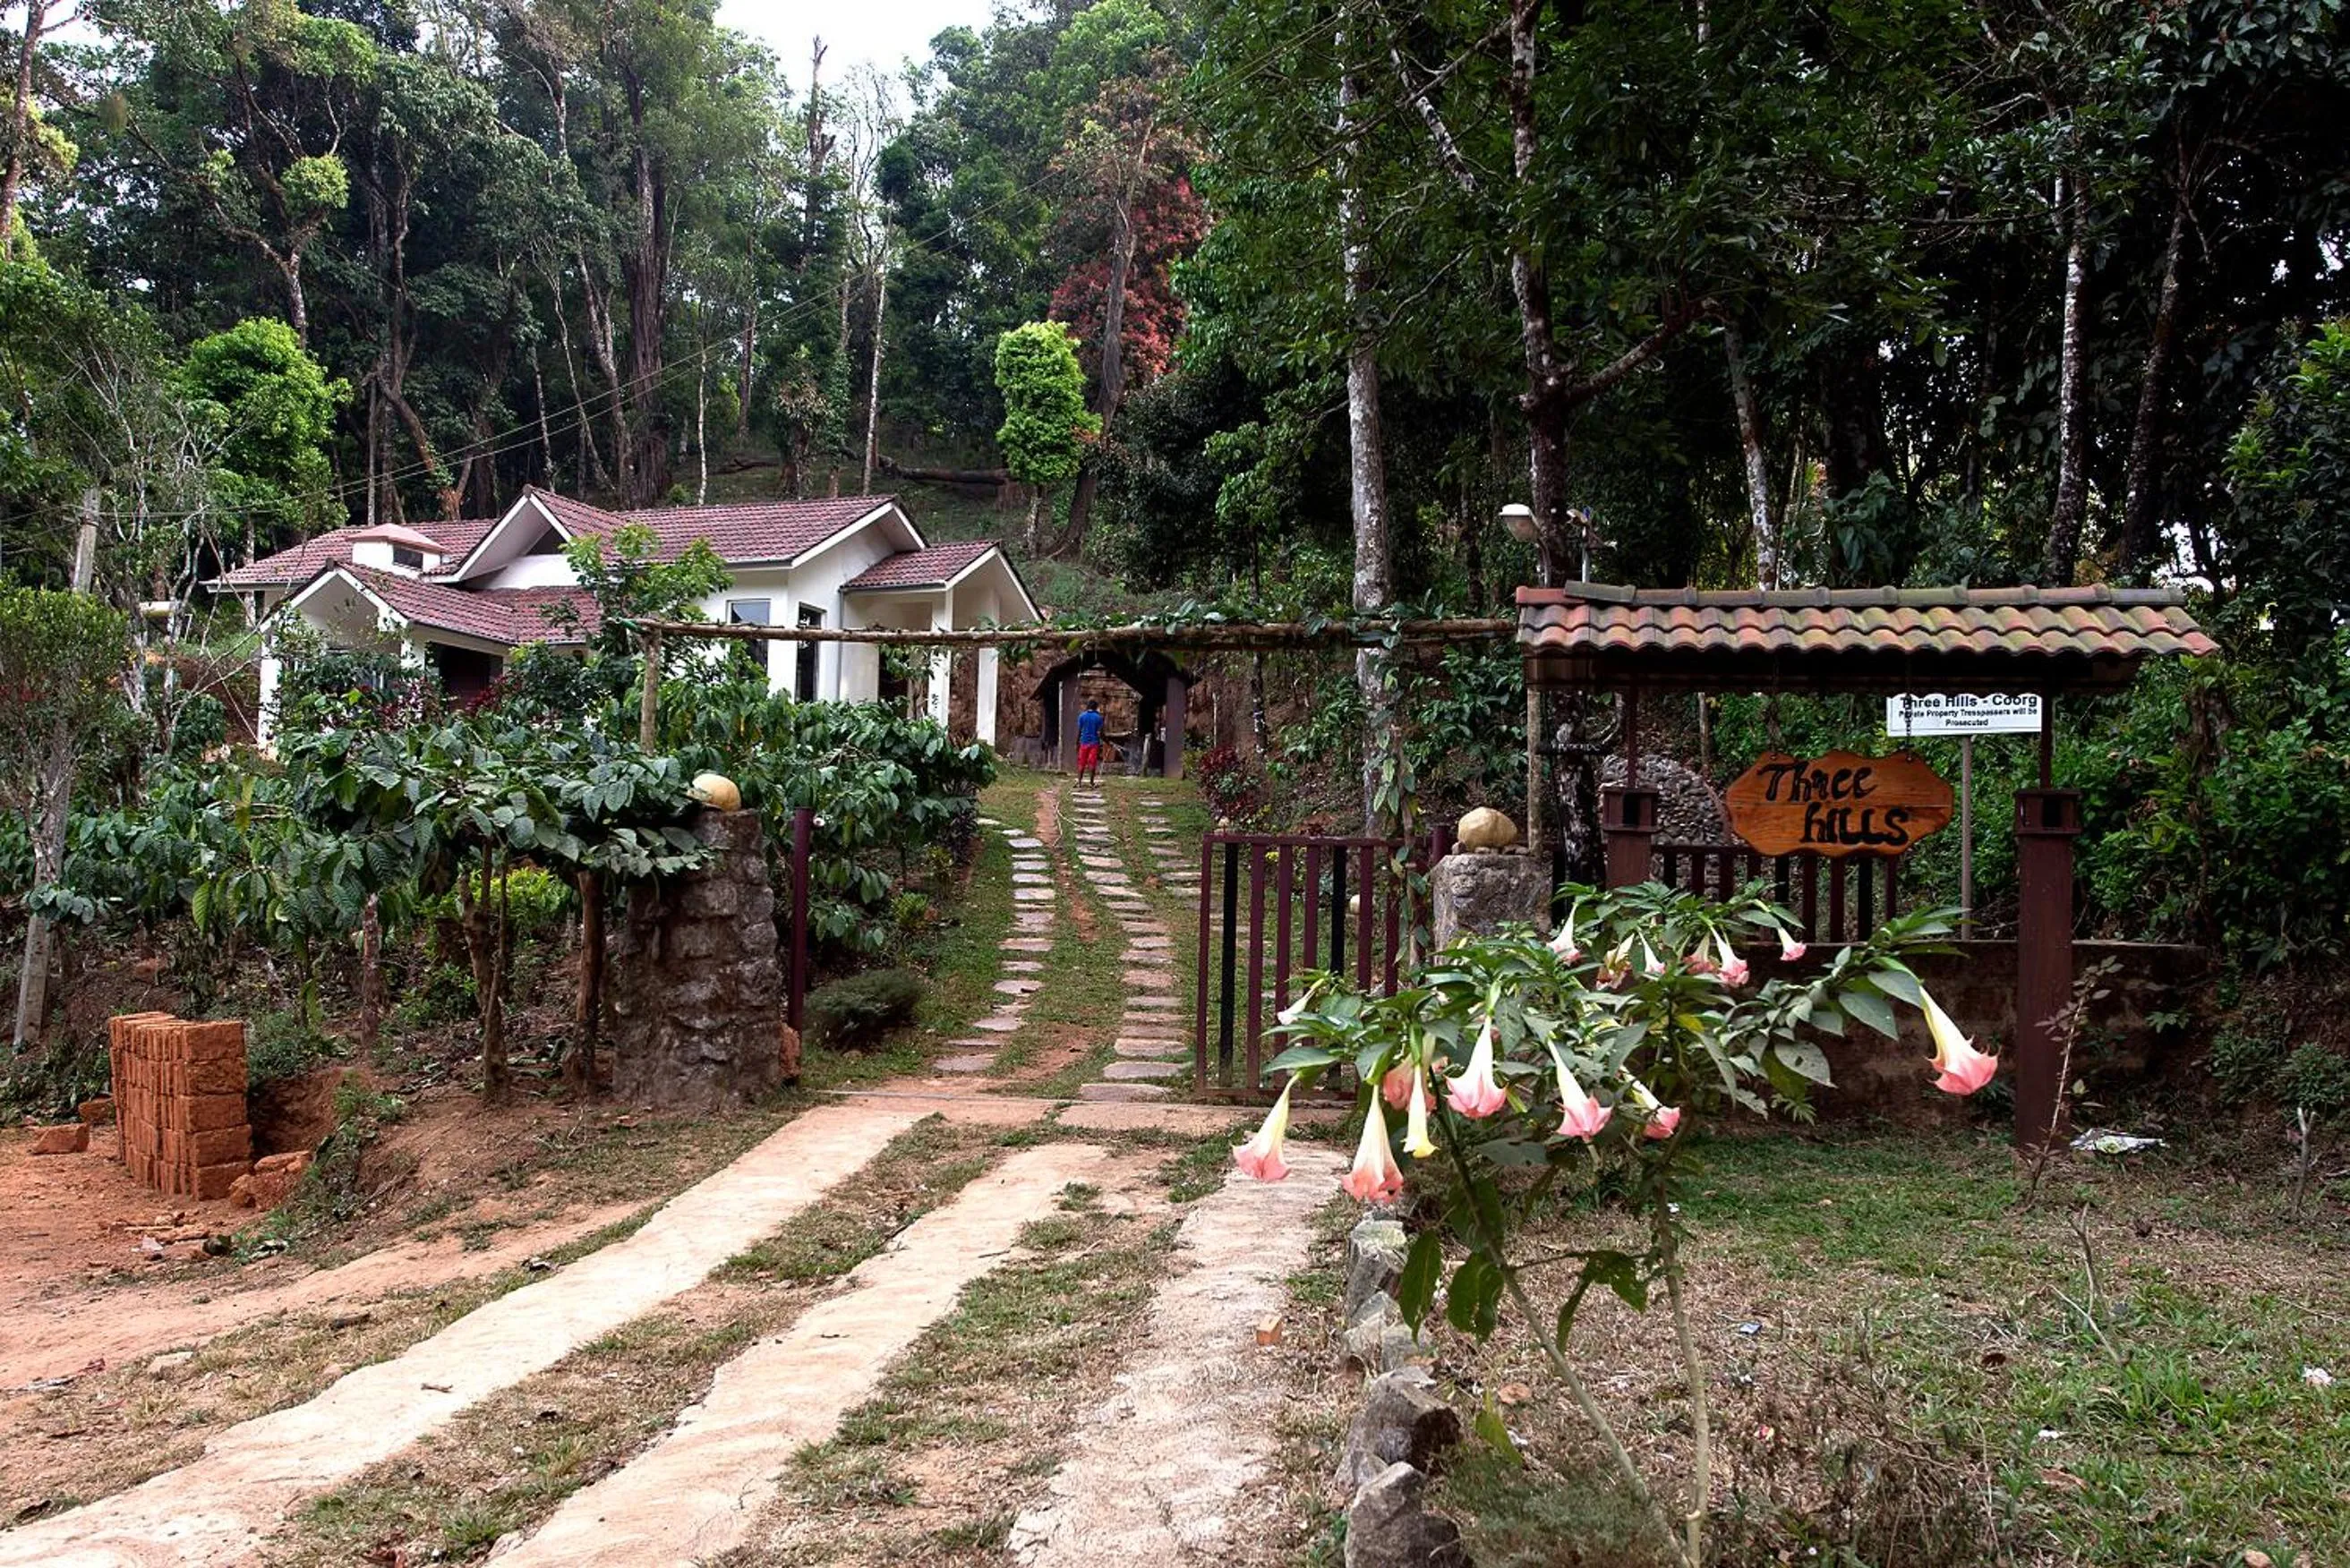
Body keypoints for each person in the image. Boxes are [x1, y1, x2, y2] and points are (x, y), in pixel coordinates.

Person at [1076, 698, 1106, 785]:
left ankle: (1079, 782)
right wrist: (1107, 742)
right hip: (1094, 743)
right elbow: (1101, 733)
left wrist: (1077, 742)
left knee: (1082, 762)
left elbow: (1079, 731)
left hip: (1083, 742)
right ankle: (1091, 782)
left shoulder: (1082, 716)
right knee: (1092, 762)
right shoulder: (1099, 718)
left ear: (1088, 706)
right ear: (1096, 707)